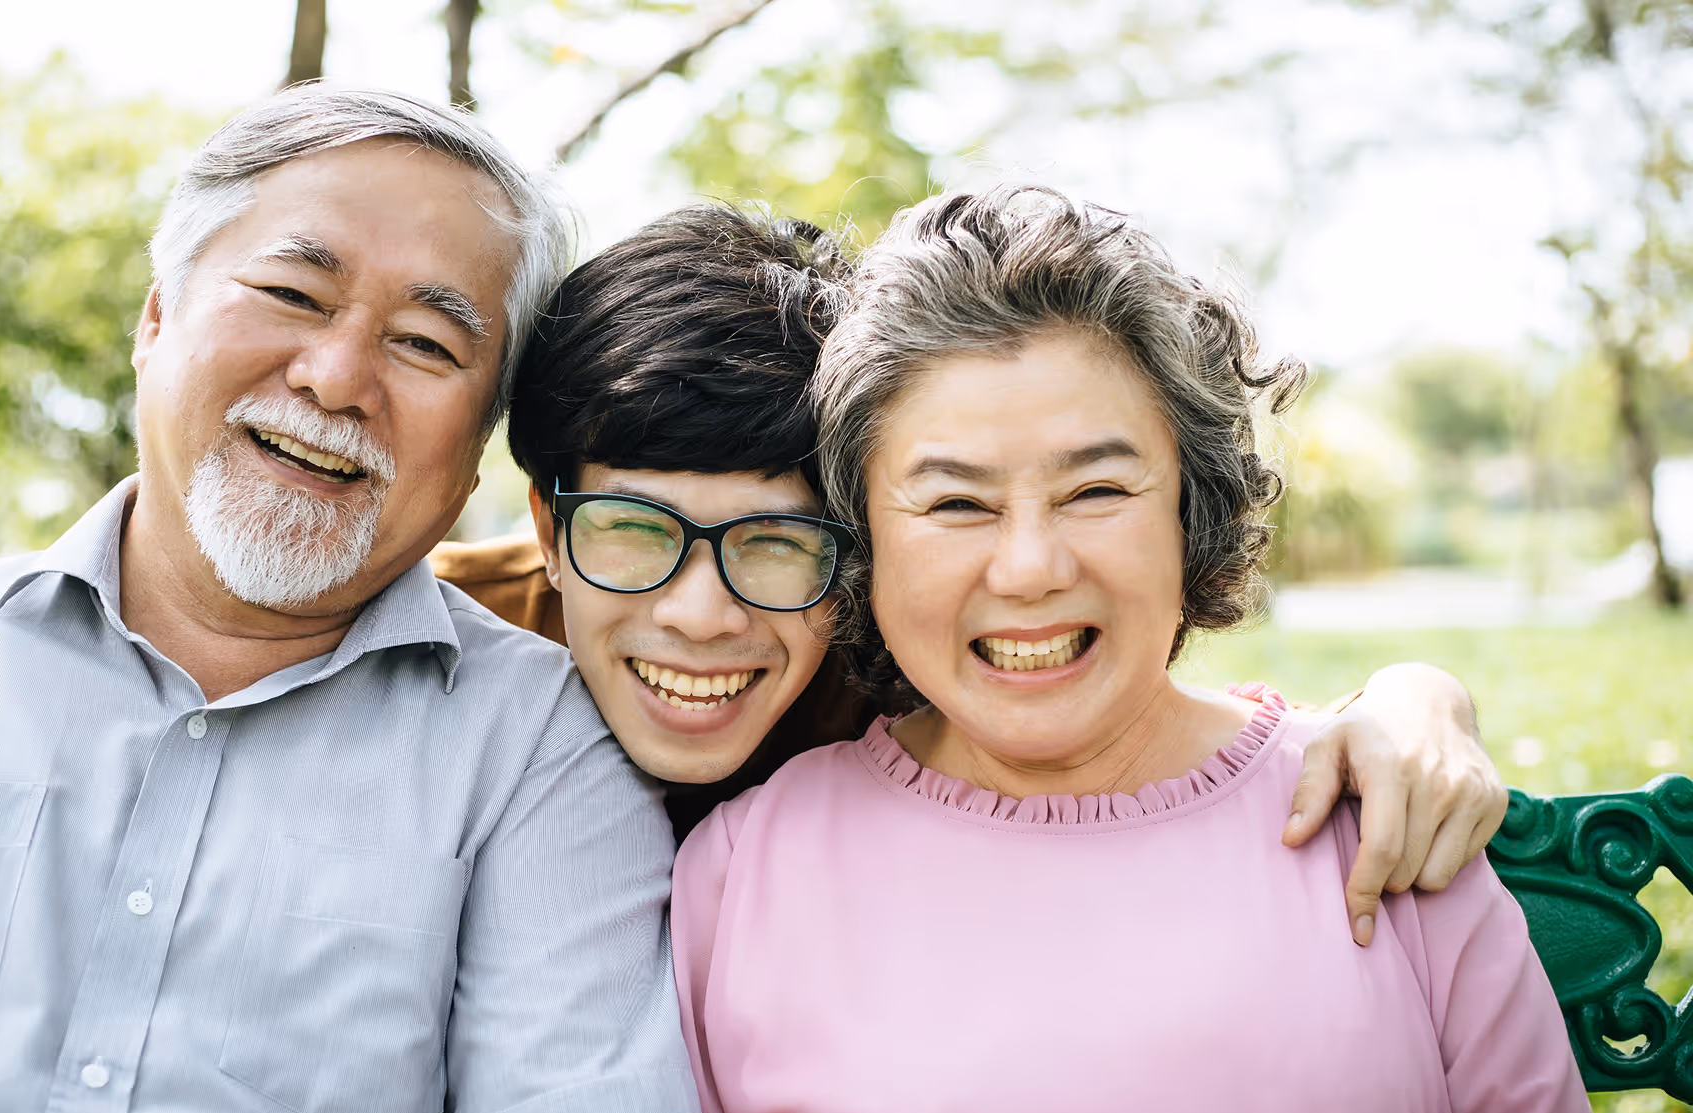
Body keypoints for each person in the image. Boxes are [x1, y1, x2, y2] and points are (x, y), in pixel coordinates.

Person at [0, 88, 698, 1113]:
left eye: (427, 343)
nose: (335, 375)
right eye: (292, 293)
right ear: (156, 317)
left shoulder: (539, 752)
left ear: (481, 444)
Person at [657, 184, 1650, 1113]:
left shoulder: (1376, 811)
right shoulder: (751, 872)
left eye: (1096, 488)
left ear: (1193, 510)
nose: (1031, 566)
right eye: (955, 504)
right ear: (862, 540)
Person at [435, 202, 1508, 929]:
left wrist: (1411, 697)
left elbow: (1126, 727)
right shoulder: (434, 646)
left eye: (778, 542)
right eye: (635, 530)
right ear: (546, 519)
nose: (704, 615)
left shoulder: (892, 675)